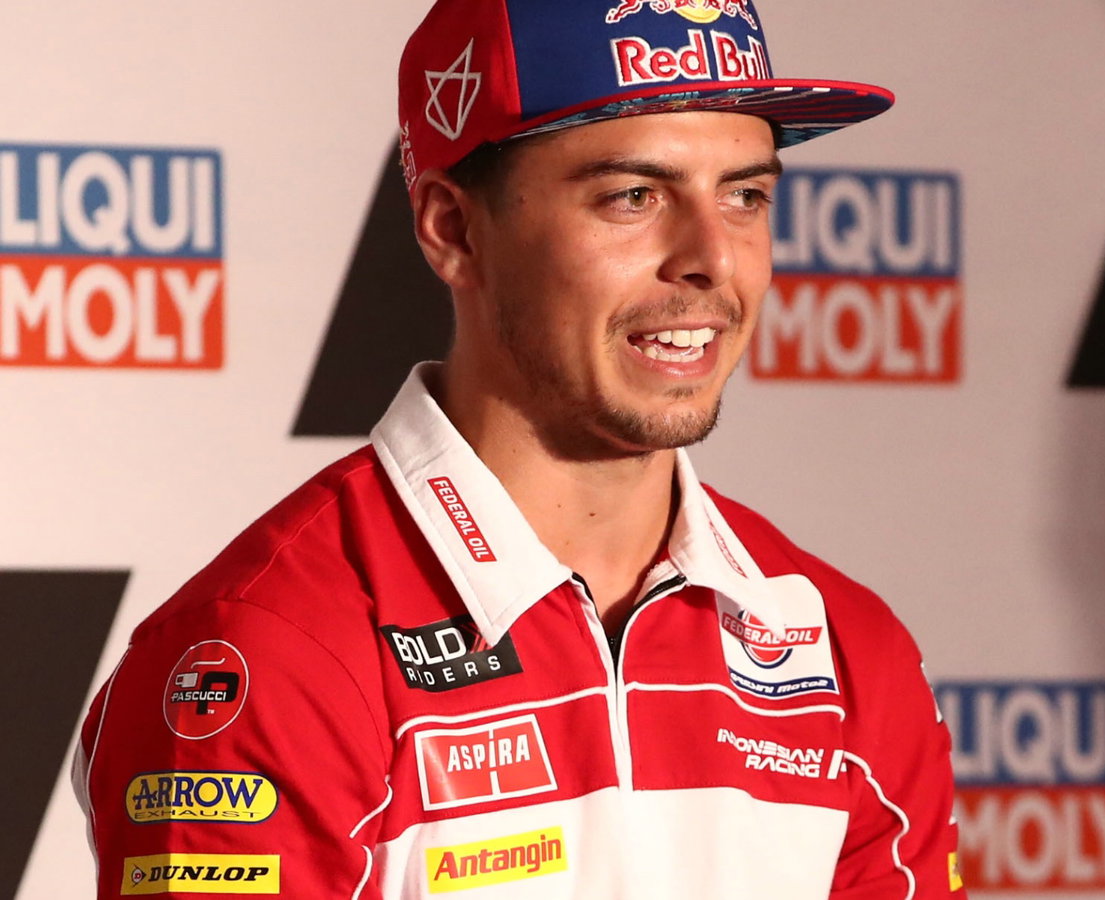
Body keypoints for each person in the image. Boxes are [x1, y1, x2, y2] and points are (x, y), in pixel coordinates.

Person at [75, 0, 966, 896]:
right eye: (634, 196)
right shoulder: (268, 649)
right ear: (454, 231)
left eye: (745, 196)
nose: (713, 259)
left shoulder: (847, 650)